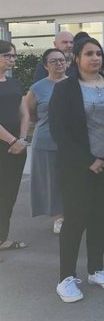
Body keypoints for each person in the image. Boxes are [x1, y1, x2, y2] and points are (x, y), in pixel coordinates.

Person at [49, 37, 104, 302]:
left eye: (98, 54)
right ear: (77, 59)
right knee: (75, 221)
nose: (95, 58)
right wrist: (88, 161)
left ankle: (96, 269)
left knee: (98, 218)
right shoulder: (66, 89)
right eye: (89, 54)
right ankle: (66, 278)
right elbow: (59, 131)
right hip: (79, 168)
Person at [26, 49, 68, 234]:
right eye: (54, 61)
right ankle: (58, 217)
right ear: (45, 66)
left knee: (73, 179)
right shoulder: (38, 88)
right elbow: (29, 114)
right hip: (46, 140)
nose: (59, 63)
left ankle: (76, 213)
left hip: (73, 141)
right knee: (52, 181)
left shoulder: (75, 83)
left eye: (62, 60)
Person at [0, 41, 30, 256]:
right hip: (6, 145)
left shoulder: (13, 83)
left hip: (16, 147)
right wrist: (11, 141)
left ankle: (2, 238)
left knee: (8, 194)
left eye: (14, 56)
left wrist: (22, 139)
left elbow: (25, 113)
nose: (12, 60)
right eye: (8, 56)